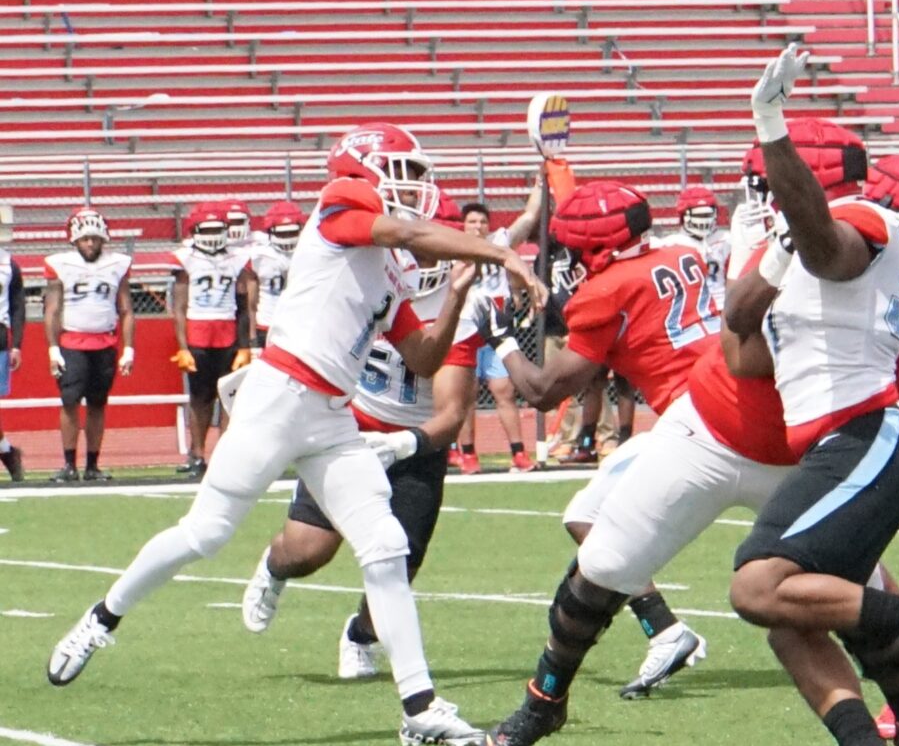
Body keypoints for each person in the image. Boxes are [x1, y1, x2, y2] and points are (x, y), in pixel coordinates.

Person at [47, 122, 543, 746]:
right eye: (408, 173)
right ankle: (99, 619)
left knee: (385, 548)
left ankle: (420, 707)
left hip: (332, 415)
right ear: (366, 168)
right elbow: (409, 230)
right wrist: (497, 252)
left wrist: (456, 298)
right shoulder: (342, 200)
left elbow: (420, 356)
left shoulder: (387, 264)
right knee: (206, 533)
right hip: (280, 396)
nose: (418, 187)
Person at [725, 44, 899, 746]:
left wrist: (769, 123)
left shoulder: (866, 226)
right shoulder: (801, 241)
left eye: (779, 181)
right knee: (793, 618)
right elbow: (736, 332)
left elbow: (825, 245)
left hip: (863, 439)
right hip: (837, 445)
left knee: (755, 587)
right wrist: (774, 246)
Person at [475, 178, 720, 740]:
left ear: (598, 250)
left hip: (698, 430)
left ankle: (549, 699)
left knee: (597, 555)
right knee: (587, 515)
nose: (570, 260)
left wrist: (503, 341)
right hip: (727, 408)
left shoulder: (607, 289)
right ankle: (663, 629)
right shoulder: (684, 253)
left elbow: (541, 392)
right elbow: (610, 315)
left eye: (575, 250)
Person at [240, 194, 483, 681]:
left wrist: (404, 444)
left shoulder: (467, 305)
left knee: (399, 560)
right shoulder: (369, 277)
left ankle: (360, 636)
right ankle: (274, 567)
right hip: (350, 428)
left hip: (416, 444)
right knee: (307, 550)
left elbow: (452, 413)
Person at [453, 179, 545, 474]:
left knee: (503, 389)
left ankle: (518, 452)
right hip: (464, 327)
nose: (477, 226)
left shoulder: (499, 243)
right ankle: (467, 453)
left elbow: (529, 217)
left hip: (495, 326)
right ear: (463, 225)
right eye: (472, 221)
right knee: (466, 394)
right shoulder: (451, 247)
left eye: (482, 221)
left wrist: (540, 184)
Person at [43, 208, 135, 482]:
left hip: (105, 341)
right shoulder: (61, 264)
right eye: (85, 239)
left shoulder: (117, 263)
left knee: (97, 404)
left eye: (95, 238)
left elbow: (127, 309)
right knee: (70, 402)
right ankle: (69, 464)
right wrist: (53, 348)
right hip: (72, 340)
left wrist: (129, 348)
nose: (91, 243)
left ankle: (92, 465)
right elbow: (53, 309)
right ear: (74, 240)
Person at [169, 201, 258, 479]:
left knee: (230, 398)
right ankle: (197, 454)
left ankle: (226, 457)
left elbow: (245, 305)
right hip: (198, 334)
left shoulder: (238, 259)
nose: (212, 234)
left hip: (228, 333)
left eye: (217, 228)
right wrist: (182, 346)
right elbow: (179, 307)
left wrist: (246, 344)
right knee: (200, 398)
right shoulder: (186, 260)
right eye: (206, 228)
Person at [658, 184, 732, 309]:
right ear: (684, 215)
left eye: (706, 215)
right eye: (699, 215)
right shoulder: (671, 244)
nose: (703, 220)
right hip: (688, 307)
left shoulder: (727, 240)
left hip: (720, 304)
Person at [249, 202, 304, 349]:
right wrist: (252, 336)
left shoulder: (309, 253)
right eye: (282, 233)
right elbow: (252, 302)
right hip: (268, 323)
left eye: (291, 232)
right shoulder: (259, 256)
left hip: (299, 323)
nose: (287, 237)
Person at [0, 242, 25, 482]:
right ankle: (7, 452)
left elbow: (18, 306)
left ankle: (7, 452)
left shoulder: (8, 264)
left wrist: (17, 344)